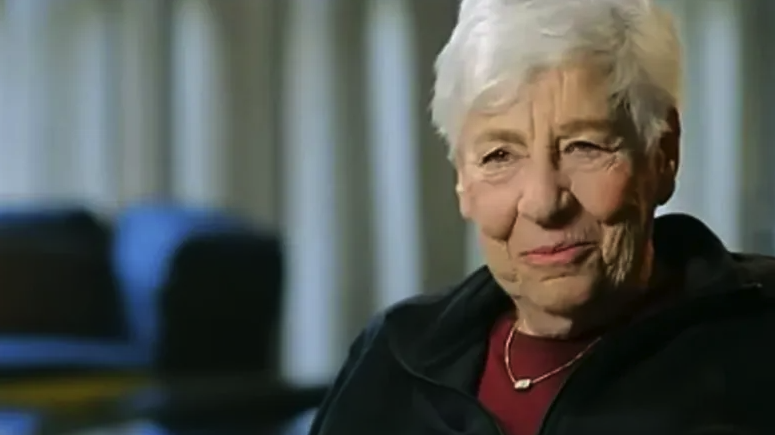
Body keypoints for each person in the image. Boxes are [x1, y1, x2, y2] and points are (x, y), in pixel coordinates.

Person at [308, 0, 775, 434]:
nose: (544, 203)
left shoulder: (758, 342)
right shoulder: (392, 356)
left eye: (584, 146)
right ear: (462, 182)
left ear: (662, 155)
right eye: (499, 155)